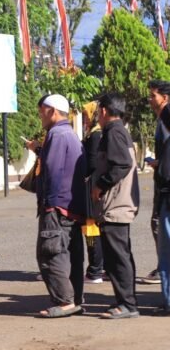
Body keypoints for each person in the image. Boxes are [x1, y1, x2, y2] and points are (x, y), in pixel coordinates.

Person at [33, 94, 87, 318]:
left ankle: (64, 301)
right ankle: (75, 299)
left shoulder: (56, 134)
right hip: (72, 206)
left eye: (42, 111)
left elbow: (53, 170)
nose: (40, 116)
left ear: (52, 111)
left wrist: (49, 204)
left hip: (57, 205)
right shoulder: (71, 134)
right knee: (71, 255)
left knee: (50, 254)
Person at [90, 93, 140, 319]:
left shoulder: (114, 132)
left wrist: (100, 185)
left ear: (103, 110)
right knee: (118, 256)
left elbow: (122, 164)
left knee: (118, 257)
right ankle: (125, 301)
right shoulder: (117, 131)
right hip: (117, 205)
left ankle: (127, 304)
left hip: (116, 206)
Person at [148, 79, 170, 315]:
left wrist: (160, 165)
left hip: (167, 193)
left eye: (153, 95)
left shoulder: (165, 120)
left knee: (167, 250)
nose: (150, 100)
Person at [81, 101, 105, 284]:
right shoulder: (93, 133)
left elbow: (91, 163)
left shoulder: (95, 135)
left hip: (91, 188)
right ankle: (98, 268)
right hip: (92, 187)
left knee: (91, 230)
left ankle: (95, 270)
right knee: (93, 230)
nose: (84, 118)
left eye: (86, 114)